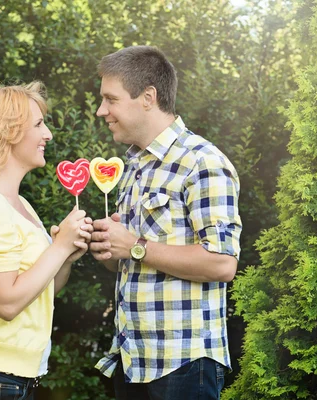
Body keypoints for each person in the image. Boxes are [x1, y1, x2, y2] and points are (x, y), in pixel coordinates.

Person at [89, 46, 243, 400]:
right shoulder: (133, 166)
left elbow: (222, 263)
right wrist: (108, 248)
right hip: (133, 360)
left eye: (110, 99)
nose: (102, 111)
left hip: (182, 364)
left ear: (147, 97)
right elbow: (130, 260)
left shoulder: (202, 163)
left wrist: (135, 247)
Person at [0, 81, 92, 399]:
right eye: (38, 124)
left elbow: (39, 292)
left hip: (13, 376)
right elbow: (6, 303)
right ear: (9, 132)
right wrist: (60, 246)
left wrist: (64, 257)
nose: (48, 134)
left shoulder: (21, 205)